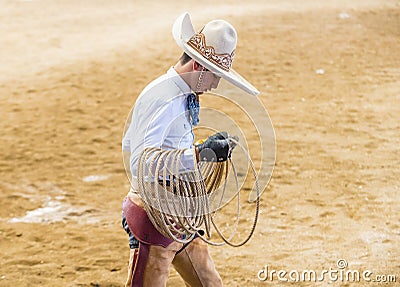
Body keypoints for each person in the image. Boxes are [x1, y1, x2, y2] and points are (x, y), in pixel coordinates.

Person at [121, 12, 259, 287]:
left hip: (178, 212)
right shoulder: (162, 99)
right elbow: (141, 164)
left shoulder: (176, 94)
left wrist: (199, 149)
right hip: (154, 215)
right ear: (197, 66)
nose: (216, 83)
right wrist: (199, 154)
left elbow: (143, 146)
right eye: (214, 75)